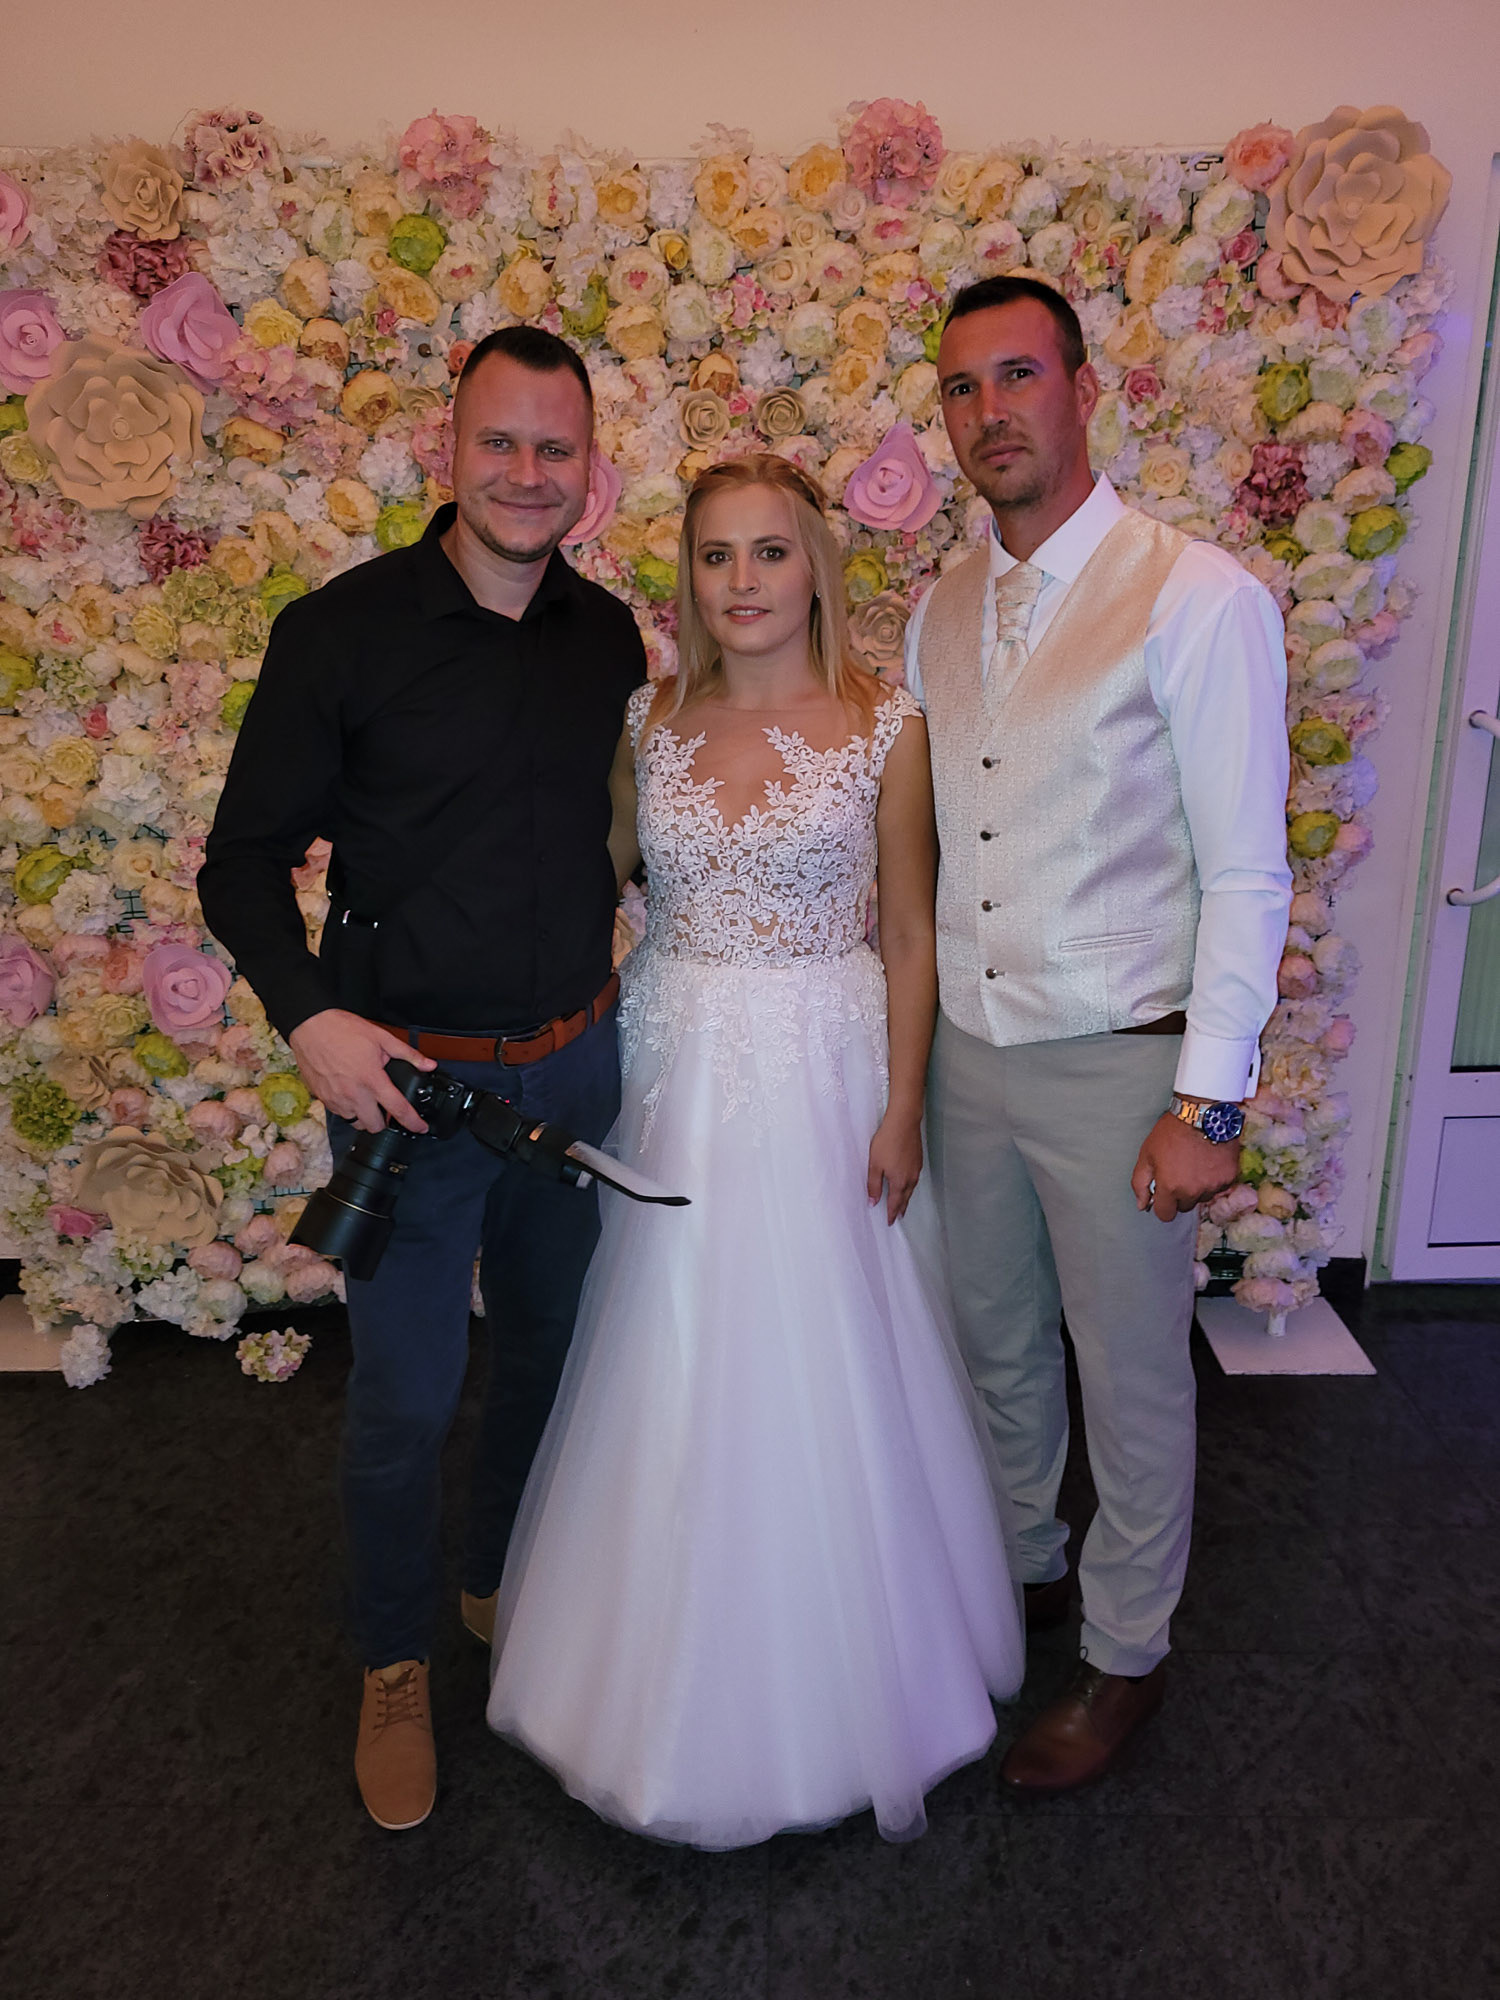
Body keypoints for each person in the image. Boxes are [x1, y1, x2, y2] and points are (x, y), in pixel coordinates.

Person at [485, 456, 1025, 1848]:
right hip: (671, 1058)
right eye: (716, 556)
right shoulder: (648, 718)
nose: (743, 582)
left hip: (823, 1065)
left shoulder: (884, 725)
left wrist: (902, 1106)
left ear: (816, 568)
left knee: (824, 1351)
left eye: (770, 552)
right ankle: (643, 1668)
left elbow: (910, 932)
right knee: (661, 1345)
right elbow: (584, 878)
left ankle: (849, 1671)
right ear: (689, 574)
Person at [198, 326, 646, 1832]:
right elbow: (241, 864)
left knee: (546, 1359)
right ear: (446, 450)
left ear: (588, 468)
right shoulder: (338, 632)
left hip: (573, 1078)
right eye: (498, 442)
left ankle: (495, 1583)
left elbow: (614, 840)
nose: (526, 473)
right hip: (409, 1098)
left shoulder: (608, 639)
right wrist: (309, 1017)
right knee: (403, 1399)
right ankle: (392, 1664)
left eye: (554, 448)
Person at [906, 275, 1293, 1793]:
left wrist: (1210, 1103)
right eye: (961, 387)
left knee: (1129, 1374)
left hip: (1122, 1055)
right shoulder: (941, 605)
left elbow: (1248, 870)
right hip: (969, 1049)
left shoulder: (1197, 596)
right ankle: (1023, 1567)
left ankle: (1127, 1654)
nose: (989, 412)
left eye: (1018, 376)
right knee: (993, 1337)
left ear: (1082, 388)